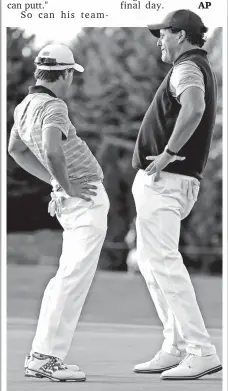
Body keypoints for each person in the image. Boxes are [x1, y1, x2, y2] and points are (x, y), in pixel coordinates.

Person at [8, 44, 109, 382]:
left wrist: (55, 182)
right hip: (83, 200)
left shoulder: (23, 107)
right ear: (65, 74)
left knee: (67, 277)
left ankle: (42, 354)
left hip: (72, 202)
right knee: (72, 279)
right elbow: (52, 148)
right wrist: (65, 185)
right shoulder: (54, 105)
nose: (71, 82)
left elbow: (16, 151)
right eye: (71, 76)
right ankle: (46, 357)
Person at [131, 9, 222, 380]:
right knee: (153, 267)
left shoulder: (187, 67)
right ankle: (175, 347)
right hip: (169, 182)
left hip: (167, 179)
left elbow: (195, 105)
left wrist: (168, 153)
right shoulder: (191, 64)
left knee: (164, 264)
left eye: (164, 33)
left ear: (181, 35)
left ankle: (201, 350)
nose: (159, 40)